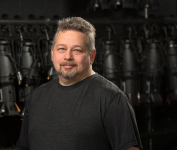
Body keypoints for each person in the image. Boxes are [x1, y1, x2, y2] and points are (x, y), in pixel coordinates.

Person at [17, 17, 142, 150]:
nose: (68, 56)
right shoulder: (37, 97)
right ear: (52, 54)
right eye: (61, 49)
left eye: (77, 50)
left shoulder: (111, 98)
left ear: (92, 56)